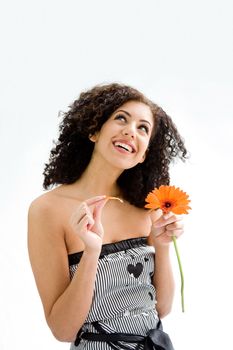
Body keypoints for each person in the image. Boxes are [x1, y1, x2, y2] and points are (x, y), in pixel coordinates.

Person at [28, 83, 188, 349]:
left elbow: (162, 308)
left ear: (144, 154)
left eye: (143, 128)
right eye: (121, 118)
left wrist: (162, 247)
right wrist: (91, 252)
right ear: (94, 130)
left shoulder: (147, 208)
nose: (130, 131)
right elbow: (63, 330)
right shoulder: (47, 210)